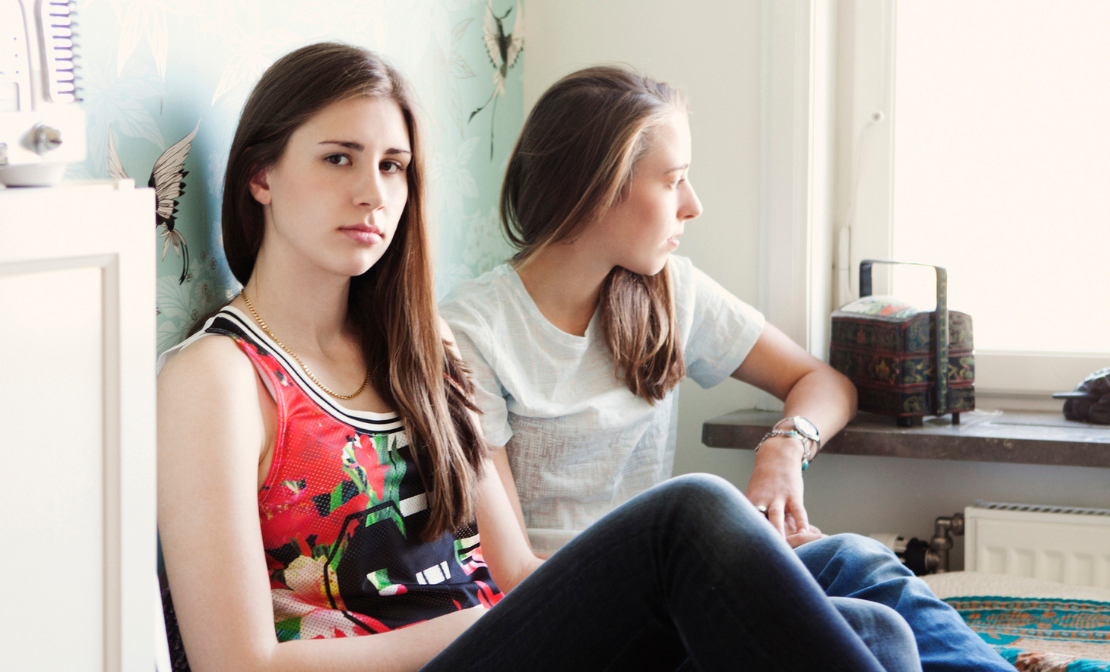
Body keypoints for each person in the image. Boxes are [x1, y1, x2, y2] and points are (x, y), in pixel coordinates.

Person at [156, 42, 922, 672]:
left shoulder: (426, 348)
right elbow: (237, 665)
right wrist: (489, 629)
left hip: (513, 643)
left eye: (392, 165)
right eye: (338, 159)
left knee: (873, 630)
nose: (372, 193)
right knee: (692, 514)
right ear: (261, 175)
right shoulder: (217, 378)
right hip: (441, 657)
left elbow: (504, 567)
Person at [439, 66, 1014, 672]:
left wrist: (783, 448)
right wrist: (734, 576)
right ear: (594, 188)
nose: (694, 204)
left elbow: (823, 383)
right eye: (674, 181)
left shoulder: (667, 293)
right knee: (857, 623)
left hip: (671, 583)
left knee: (857, 566)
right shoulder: (473, 332)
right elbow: (513, 574)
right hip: (572, 621)